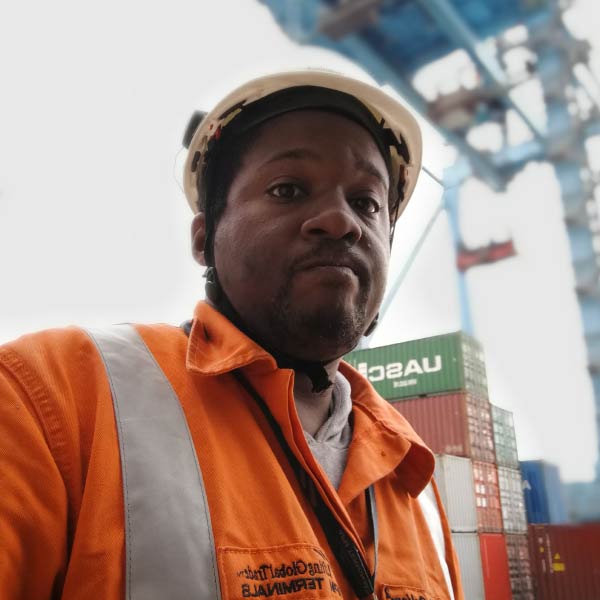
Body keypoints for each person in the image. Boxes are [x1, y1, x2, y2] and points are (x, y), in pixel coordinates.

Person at [0, 70, 464, 600]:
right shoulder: (53, 397)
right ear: (204, 239)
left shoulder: (414, 480)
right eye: (288, 189)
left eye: (367, 202)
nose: (341, 221)